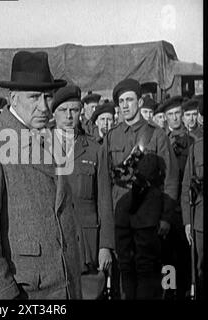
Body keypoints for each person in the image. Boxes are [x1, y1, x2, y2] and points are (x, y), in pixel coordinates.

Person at [0, 51, 81, 299]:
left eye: (47, 96)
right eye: (34, 97)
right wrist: (3, 296)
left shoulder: (49, 138)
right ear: (13, 98)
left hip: (63, 287)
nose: (44, 107)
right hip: (25, 293)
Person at [102, 78, 179, 299]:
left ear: (139, 101)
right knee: (124, 275)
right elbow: (106, 182)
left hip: (148, 219)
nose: (125, 105)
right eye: (121, 101)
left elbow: (171, 179)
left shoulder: (157, 135)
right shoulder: (111, 136)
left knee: (148, 277)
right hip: (122, 220)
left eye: (129, 100)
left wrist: (165, 217)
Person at [52, 85, 114, 299]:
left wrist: (105, 245)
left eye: (74, 110)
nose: (69, 116)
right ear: (54, 113)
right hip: (53, 242)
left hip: (87, 243)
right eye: (63, 110)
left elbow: (105, 201)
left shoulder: (95, 149)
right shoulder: (40, 147)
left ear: (81, 112)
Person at [160, 95, 196, 299]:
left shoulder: (191, 142)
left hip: (183, 210)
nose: (174, 118)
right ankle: (169, 292)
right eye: (170, 115)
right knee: (166, 258)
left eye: (177, 114)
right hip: (165, 209)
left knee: (183, 257)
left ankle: (182, 293)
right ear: (165, 118)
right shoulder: (160, 140)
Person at [181, 137, 204, 299]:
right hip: (200, 220)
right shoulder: (197, 147)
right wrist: (188, 221)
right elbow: (186, 186)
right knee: (201, 268)